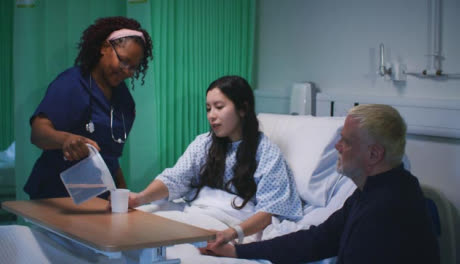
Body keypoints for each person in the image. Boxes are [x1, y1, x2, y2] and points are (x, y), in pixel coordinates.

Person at [201, 104, 440, 264]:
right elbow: (316, 240)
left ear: (374, 155)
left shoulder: (386, 212)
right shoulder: (372, 193)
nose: (337, 147)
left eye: (345, 142)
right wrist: (237, 251)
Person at [129, 75, 303, 245]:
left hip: (230, 224)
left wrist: (231, 234)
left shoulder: (267, 153)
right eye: (208, 108)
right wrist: (140, 198)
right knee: (137, 229)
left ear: (243, 109)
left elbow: (269, 211)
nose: (211, 115)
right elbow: (175, 178)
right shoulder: (204, 144)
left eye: (219, 107)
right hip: (195, 213)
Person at [25, 16, 153, 199]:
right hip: (56, 197)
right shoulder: (72, 83)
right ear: (104, 48)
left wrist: (123, 194)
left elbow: (110, 157)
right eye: (123, 61)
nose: (126, 71)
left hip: (98, 197)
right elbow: (37, 133)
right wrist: (65, 139)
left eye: (133, 68)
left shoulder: (124, 101)